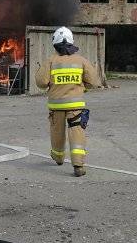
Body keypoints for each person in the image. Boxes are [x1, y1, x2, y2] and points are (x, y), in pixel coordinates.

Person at [34, 27, 99, 177]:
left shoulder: (51, 61)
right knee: (77, 132)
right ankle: (78, 165)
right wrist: (83, 88)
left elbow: (41, 82)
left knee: (57, 132)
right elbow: (93, 81)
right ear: (71, 42)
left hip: (56, 105)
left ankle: (58, 157)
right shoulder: (81, 61)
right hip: (76, 106)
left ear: (55, 44)